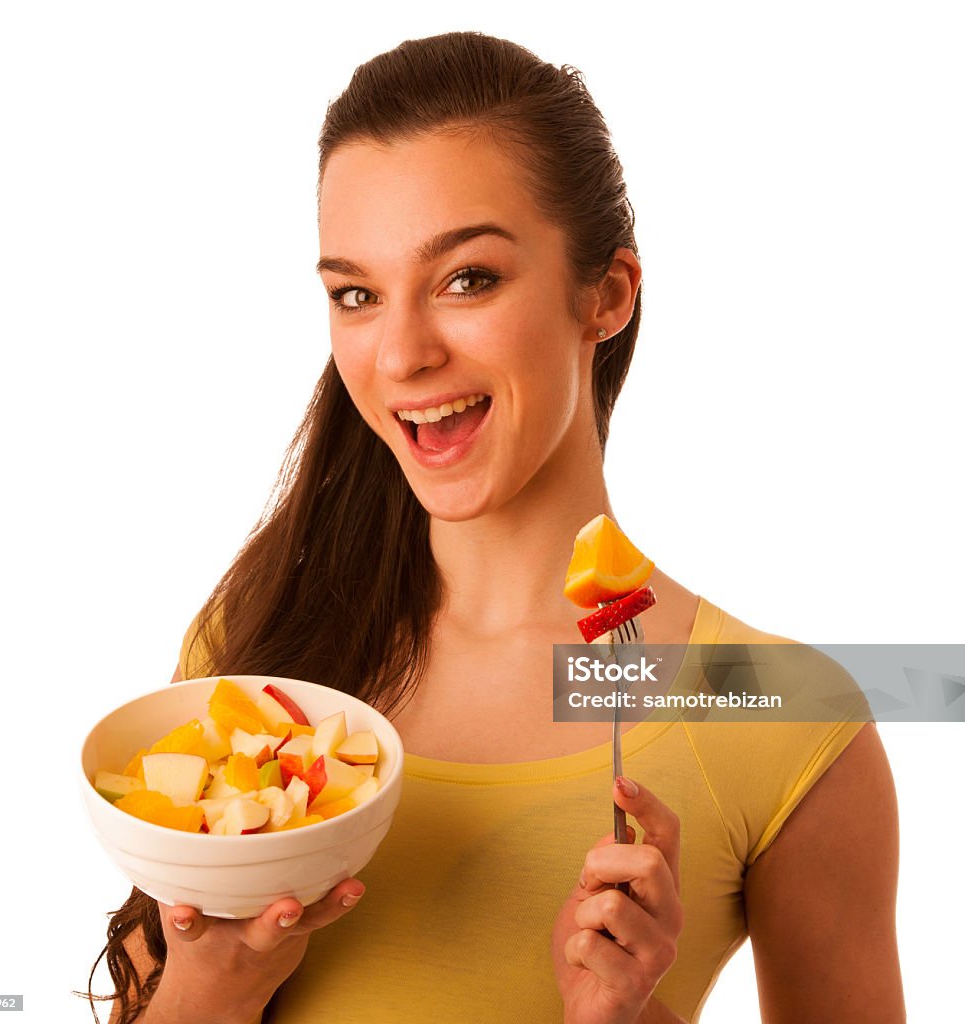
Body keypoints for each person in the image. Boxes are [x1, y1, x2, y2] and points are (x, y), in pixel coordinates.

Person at [90, 32, 905, 1024]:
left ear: (603, 295)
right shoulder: (257, 664)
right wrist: (212, 988)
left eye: (466, 279)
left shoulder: (790, 719)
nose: (400, 354)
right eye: (356, 294)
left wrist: (628, 1018)